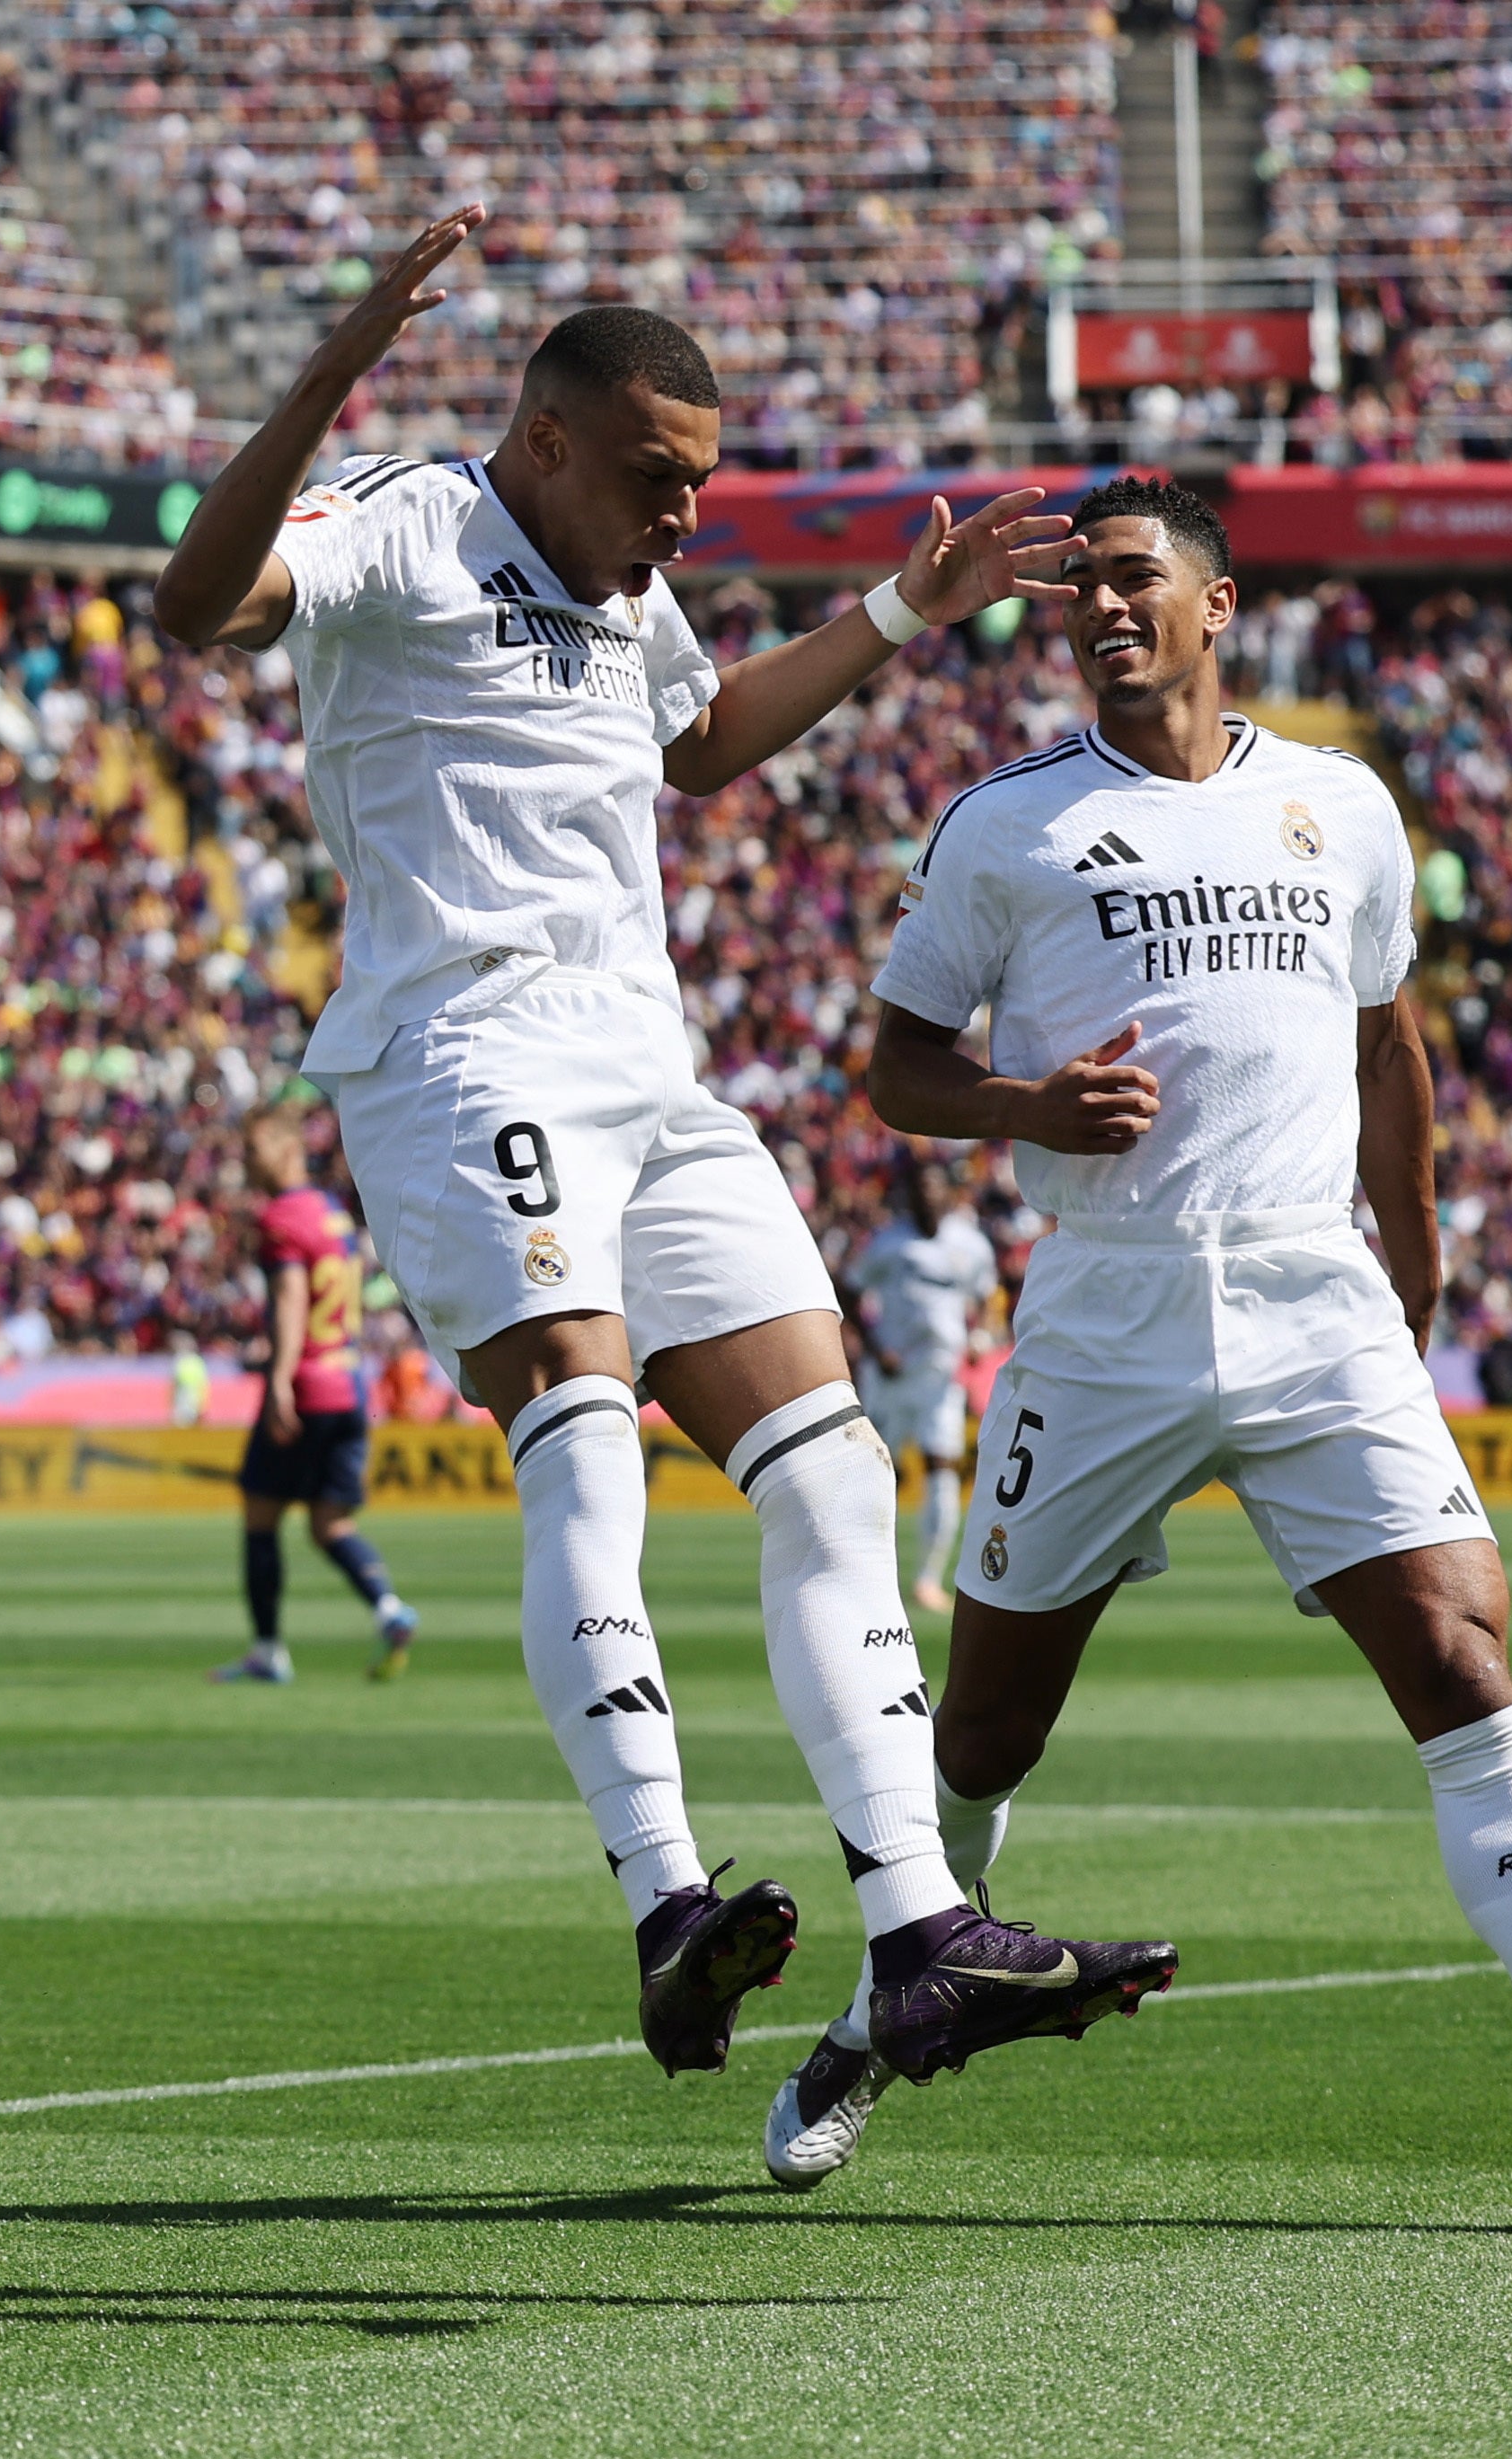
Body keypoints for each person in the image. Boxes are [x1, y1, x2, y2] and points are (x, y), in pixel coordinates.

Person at [154, 206, 1177, 2088]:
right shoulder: (395, 520)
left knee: (834, 1469)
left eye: (698, 485)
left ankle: (922, 1927)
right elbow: (189, 609)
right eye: (655, 477)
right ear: (542, 440)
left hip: (650, 1065)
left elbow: (697, 747)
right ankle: (663, 1901)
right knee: (588, 1436)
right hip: (464, 1048)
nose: (682, 516)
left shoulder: (627, 579)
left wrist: (892, 617)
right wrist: (314, 381)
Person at [785, 474, 1512, 2235]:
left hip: (1316, 1291)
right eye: (1079, 589)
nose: (1099, 610)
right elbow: (894, 1066)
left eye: (1135, 580)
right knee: (988, 1722)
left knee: (1458, 1652)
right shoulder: (1005, 826)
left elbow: (1387, 1049)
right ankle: (887, 1996)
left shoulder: (1341, 808)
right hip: (1107, 1298)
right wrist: (1020, 1102)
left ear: (1220, 606)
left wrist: (1421, 1241)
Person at [216, 1105, 419, 1685]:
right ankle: (389, 1609)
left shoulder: (281, 1217)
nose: (246, 1164)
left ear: (283, 1149)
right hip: (349, 1385)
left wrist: (278, 1378)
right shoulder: (330, 1213)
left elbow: (289, 1301)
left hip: (305, 1388)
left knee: (260, 1516)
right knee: (330, 1525)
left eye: (252, 1151)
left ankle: (267, 1651)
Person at [844, 1153, 997, 1613]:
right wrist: (874, 1349)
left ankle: (929, 1578)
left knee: (940, 1470)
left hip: (940, 1379)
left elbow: (985, 1297)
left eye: (935, 1191)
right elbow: (849, 1290)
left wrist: (979, 1335)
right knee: (874, 1475)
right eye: (919, 1193)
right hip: (891, 1375)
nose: (927, 1200)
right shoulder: (888, 1244)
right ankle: (866, 1577)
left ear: (949, 1195)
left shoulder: (970, 1246)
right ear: (909, 1199)